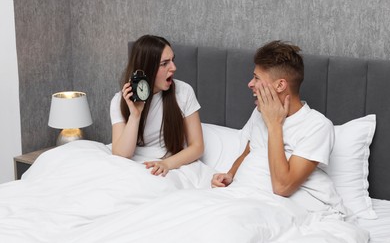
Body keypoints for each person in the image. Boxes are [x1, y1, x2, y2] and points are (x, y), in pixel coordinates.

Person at [211, 40, 343, 212]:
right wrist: (229, 175)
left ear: (280, 85)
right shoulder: (259, 112)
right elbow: (248, 153)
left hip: (281, 207)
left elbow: (282, 187)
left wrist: (274, 124)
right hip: (242, 198)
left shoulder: (317, 126)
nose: (250, 84)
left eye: (257, 78)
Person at [110, 35, 204, 177]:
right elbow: (122, 154)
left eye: (173, 60)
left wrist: (166, 164)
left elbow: (197, 147)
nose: (173, 68)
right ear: (147, 68)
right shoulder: (120, 100)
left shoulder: (183, 92)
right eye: (165, 63)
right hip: (132, 166)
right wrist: (135, 115)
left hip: (166, 165)